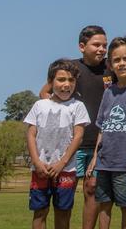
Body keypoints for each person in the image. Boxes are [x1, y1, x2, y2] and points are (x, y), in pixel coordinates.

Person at [39, 25, 110, 229]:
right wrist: (64, 111)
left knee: (92, 189)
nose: (101, 49)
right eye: (96, 45)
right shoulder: (71, 68)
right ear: (82, 46)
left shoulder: (109, 69)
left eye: (104, 45)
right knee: (65, 194)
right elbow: (44, 93)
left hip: (98, 144)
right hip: (72, 145)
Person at [87, 37, 126, 229]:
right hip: (105, 161)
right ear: (110, 65)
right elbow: (102, 128)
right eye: (116, 60)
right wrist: (95, 159)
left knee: (125, 204)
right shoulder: (109, 92)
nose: (122, 63)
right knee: (104, 205)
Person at [26, 59, 92, 229]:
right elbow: (31, 134)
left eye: (71, 80)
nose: (66, 84)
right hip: (40, 169)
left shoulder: (78, 106)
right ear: (50, 82)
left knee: (63, 212)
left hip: (66, 170)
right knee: (40, 211)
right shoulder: (39, 105)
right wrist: (37, 162)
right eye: (61, 79)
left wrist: (61, 163)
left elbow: (78, 137)